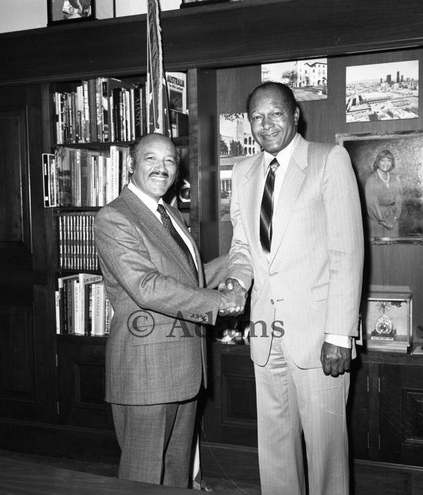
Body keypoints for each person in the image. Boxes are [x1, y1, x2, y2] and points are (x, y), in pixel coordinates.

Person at [225, 82, 364, 495]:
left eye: (275, 114)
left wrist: (339, 334)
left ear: (295, 114)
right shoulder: (243, 171)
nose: (266, 124)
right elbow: (242, 246)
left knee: (326, 453)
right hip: (266, 335)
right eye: (256, 117)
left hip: (320, 336)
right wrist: (236, 282)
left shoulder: (328, 160)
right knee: (275, 451)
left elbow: (347, 251)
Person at [93, 133, 245, 488]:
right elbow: (147, 286)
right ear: (132, 164)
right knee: (142, 478)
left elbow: (190, 278)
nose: (162, 168)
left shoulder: (171, 213)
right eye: (151, 159)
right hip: (146, 371)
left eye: (170, 162)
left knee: (176, 476)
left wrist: (240, 264)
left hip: (185, 368)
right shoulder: (114, 217)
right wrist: (220, 302)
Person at [364, 149, 403, 239]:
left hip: (393, 218)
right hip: (378, 219)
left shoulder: (394, 178)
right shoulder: (372, 179)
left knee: (394, 248)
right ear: (378, 162)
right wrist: (382, 221)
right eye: (383, 160)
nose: (386, 163)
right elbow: (372, 203)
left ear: (392, 163)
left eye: (389, 160)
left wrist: (395, 218)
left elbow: (399, 199)